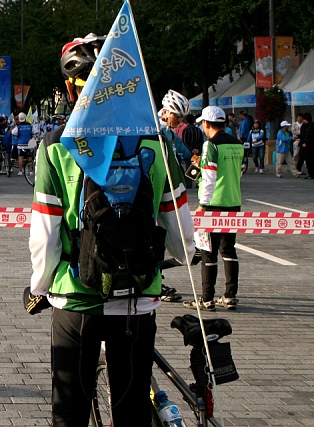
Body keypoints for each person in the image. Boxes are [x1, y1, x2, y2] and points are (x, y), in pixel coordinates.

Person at [27, 34, 194, 427]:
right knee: (133, 411)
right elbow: (182, 232)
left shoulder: (56, 146)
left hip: (77, 296)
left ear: (72, 88)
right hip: (138, 297)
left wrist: (39, 286)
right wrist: (185, 258)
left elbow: (45, 236)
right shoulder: (156, 142)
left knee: (69, 412)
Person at [185, 105, 243, 311]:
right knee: (229, 249)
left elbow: (209, 178)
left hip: (214, 204)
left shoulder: (211, 145)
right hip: (234, 201)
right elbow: (240, 170)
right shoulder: (237, 144)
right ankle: (230, 295)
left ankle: (207, 298)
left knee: (209, 251)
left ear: (207, 124)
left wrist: (203, 205)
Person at [299, 112, 314, 179]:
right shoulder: (306, 126)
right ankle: (310, 173)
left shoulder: (310, 127)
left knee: (309, 160)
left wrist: (306, 143)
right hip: (306, 145)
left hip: (309, 146)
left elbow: (310, 137)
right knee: (307, 160)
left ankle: (311, 174)